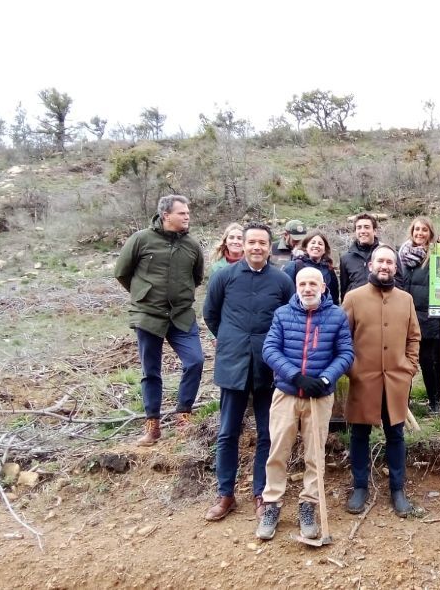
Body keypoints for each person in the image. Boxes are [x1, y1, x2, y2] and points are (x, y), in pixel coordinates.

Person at [202, 223, 296, 522]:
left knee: (268, 432)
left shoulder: (282, 281)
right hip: (233, 363)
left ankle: (261, 492)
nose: (257, 247)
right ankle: (225, 493)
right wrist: (230, 339)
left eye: (262, 243)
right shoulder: (224, 277)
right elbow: (211, 314)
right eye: (251, 242)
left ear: (270, 247)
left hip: (269, 366)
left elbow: (290, 318)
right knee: (228, 432)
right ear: (242, 245)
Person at [256, 267, 354, 541]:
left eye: (313, 283)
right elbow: (270, 350)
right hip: (286, 394)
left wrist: (325, 378)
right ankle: (272, 504)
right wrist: (295, 376)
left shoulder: (336, 316)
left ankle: (308, 505)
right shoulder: (283, 315)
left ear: (323, 287)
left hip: (319, 398)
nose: (308, 288)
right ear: (296, 287)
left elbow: (346, 353)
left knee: (315, 454)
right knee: (277, 451)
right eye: (303, 283)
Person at [115, 194, 204, 446]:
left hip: (181, 315)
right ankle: (152, 426)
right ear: (166, 216)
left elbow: (196, 278)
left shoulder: (192, 245)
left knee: (195, 361)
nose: (187, 217)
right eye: (182, 213)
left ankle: (183, 415)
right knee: (150, 371)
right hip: (148, 316)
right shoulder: (141, 240)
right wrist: (143, 295)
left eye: (188, 213)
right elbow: (122, 273)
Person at [342, 245, 421, 517]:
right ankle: (360, 487)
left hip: (396, 380)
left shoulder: (406, 299)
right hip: (363, 379)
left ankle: (398, 489)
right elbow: (342, 338)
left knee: (396, 434)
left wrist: (409, 367)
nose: (384, 266)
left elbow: (414, 337)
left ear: (395, 268)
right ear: (370, 265)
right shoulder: (353, 298)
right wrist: (352, 369)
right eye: (380, 261)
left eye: (389, 262)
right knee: (360, 434)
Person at [399, 217, 440, 414]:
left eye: (424, 230)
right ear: (411, 232)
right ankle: (403, 401)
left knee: (427, 361)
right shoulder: (400, 255)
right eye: (417, 229)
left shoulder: (436, 255)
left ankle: (434, 401)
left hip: (426, 318)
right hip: (402, 316)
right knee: (403, 361)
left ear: (430, 234)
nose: (420, 233)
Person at [282, 230, 341, 305]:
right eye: (313, 243)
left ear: (324, 250)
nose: (316, 246)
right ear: (306, 247)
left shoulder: (329, 269)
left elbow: (334, 298)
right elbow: (284, 292)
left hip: (324, 313)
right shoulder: (295, 265)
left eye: (320, 244)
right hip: (298, 312)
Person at [340, 213, 386, 299]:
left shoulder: (386, 254)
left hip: (381, 305)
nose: (362, 231)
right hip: (355, 307)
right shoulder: (346, 258)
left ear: (375, 231)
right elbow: (344, 289)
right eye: (359, 227)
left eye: (367, 227)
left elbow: (398, 283)